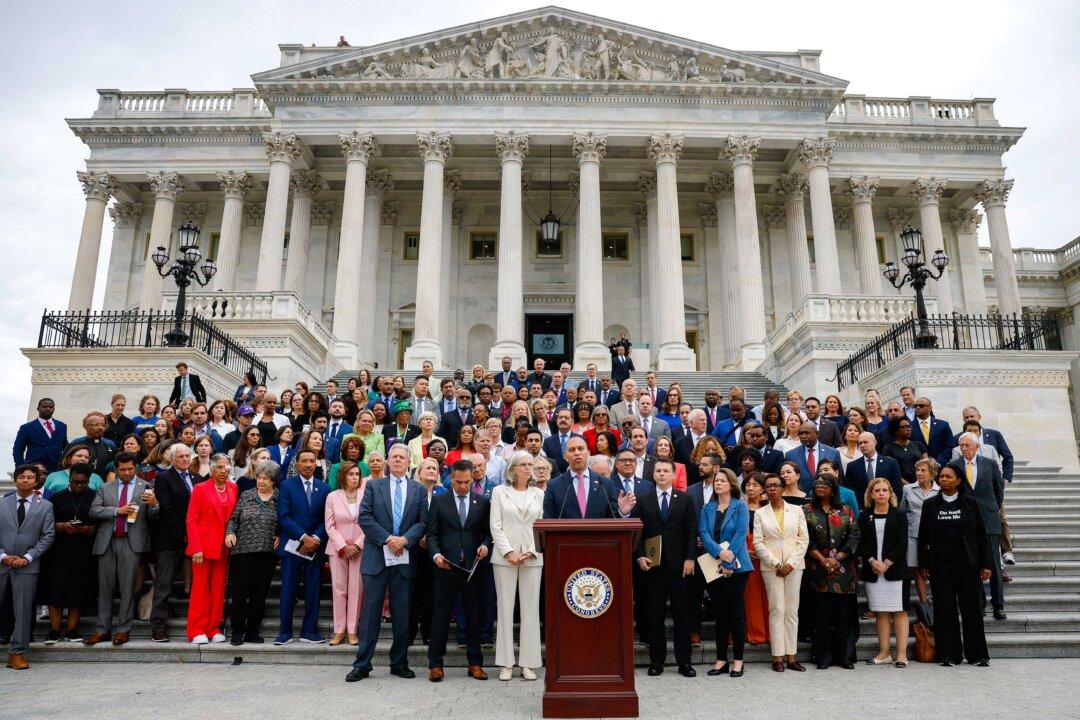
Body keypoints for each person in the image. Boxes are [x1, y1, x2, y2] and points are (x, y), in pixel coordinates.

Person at [348, 443, 429, 682]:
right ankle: (362, 664)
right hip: (376, 556)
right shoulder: (373, 486)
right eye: (393, 456)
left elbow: (422, 522)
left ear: (408, 462)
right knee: (371, 613)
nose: (397, 460)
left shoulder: (418, 489)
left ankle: (399, 662)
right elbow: (364, 517)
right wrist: (387, 539)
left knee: (402, 614)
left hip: (404, 558)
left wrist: (404, 539)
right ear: (387, 460)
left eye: (401, 457)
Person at [918, 463, 991, 666]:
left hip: (967, 565)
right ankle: (949, 654)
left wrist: (986, 565)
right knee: (944, 610)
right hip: (941, 566)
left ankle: (977, 655)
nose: (943, 479)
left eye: (948, 477)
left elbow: (981, 536)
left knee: (972, 610)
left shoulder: (971, 503)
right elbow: (923, 536)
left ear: (958, 480)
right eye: (941, 476)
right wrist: (924, 563)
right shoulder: (930, 504)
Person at [426, 459, 492, 682]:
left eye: (468, 482)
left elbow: (487, 533)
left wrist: (485, 545)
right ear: (451, 479)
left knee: (473, 616)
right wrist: (435, 555)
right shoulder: (439, 500)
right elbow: (432, 533)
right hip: (445, 567)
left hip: (472, 569)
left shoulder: (482, 501)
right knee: (441, 617)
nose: (464, 487)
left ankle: (475, 663)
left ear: (472, 479)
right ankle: (435, 664)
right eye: (459, 482)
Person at [84, 452, 158, 646]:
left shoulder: (147, 486)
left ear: (136, 468)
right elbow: (94, 510)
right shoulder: (105, 487)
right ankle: (102, 630)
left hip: (131, 541)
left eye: (130, 469)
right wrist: (118, 511)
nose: (127, 473)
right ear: (116, 469)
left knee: (127, 588)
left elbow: (154, 517)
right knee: (105, 588)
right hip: (107, 541)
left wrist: (154, 505)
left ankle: (123, 630)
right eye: (123, 469)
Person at [635, 459, 697, 678]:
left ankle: (685, 662)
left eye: (666, 471)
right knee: (655, 615)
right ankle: (657, 661)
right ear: (653, 475)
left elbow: (691, 531)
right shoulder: (644, 500)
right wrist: (640, 556)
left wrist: (690, 559)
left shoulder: (686, 500)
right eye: (658, 471)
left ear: (673, 475)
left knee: (682, 615)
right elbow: (638, 533)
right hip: (653, 567)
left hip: (680, 567)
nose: (662, 474)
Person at [699, 468, 752, 677]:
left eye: (722, 480)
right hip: (714, 564)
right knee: (720, 614)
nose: (717, 483)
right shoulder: (707, 507)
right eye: (716, 481)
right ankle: (721, 659)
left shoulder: (740, 506)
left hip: (738, 567)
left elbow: (741, 533)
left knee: (735, 613)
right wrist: (719, 552)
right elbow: (703, 533)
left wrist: (729, 561)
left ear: (731, 484)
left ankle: (738, 661)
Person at [803, 474, 860, 669]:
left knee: (841, 615)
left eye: (825, 484)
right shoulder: (806, 510)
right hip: (817, 569)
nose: (820, 487)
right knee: (822, 614)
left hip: (842, 570)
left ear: (833, 488)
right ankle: (823, 656)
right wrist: (823, 559)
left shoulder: (846, 510)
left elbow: (854, 536)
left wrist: (836, 558)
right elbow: (804, 538)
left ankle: (843, 656)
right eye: (817, 483)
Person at [0, 464, 54, 669]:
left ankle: (17, 653)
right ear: (15, 480)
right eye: (21, 477)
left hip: (28, 565)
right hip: (2, 562)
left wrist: (28, 557)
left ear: (37, 481)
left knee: (23, 611)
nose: (25, 480)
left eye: (30, 477)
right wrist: (3, 556)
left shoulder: (45, 506)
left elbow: (48, 536)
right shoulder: (2, 504)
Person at [276, 449, 331, 645]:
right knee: (288, 588)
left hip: (315, 547)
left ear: (317, 463)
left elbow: (327, 518)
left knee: (313, 589)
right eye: (304, 461)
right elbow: (284, 516)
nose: (308, 464)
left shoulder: (325, 488)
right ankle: (285, 632)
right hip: (292, 545)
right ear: (297, 464)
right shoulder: (286, 485)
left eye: (312, 461)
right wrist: (303, 537)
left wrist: (315, 537)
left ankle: (310, 631)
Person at [38, 464, 97, 644]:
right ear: (69, 479)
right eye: (75, 482)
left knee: (77, 589)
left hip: (84, 549)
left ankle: (72, 630)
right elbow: (46, 524)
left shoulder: (95, 497)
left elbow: (100, 522)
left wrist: (90, 529)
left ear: (89, 481)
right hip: (58, 550)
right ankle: (55, 630)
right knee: (56, 588)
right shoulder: (56, 497)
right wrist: (60, 526)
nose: (79, 486)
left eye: (83, 483)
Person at [225, 460, 280, 645]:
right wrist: (230, 532)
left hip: (266, 553)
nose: (261, 481)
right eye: (259, 478)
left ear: (273, 480)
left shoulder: (279, 498)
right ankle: (237, 632)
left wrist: (280, 534)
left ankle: (252, 631)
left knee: (259, 594)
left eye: (265, 478)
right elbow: (233, 519)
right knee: (240, 594)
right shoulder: (247, 495)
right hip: (242, 552)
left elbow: (284, 521)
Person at [184, 454, 238, 644]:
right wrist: (196, 548)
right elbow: (191, 520)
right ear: (212, 469)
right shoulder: (200, 488)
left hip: (224, 548)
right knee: (200, 589)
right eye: (221, 468)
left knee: (218, 590)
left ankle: (213, 627)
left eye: (227, 468)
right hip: (203, 548)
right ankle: (196, 629)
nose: (225, 471)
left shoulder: (233, 487)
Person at [150, 443, 200, 643]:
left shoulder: (196, 478)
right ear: (172, 459)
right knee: (164, 585)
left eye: (188, 456)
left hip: (194, 539)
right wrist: (184, 533)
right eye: (181, 457)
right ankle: (158, 627)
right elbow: (167, 509)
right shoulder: (163, 478)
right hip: (170, 539)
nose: (186, 459)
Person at [858, 478, 910, 667]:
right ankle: (884, 653)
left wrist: (886, 563)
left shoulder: (899, 514)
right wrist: (873, 561)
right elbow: (860, 543)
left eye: (885, 490)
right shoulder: (864, 516)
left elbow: (902, 542)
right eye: (877, 490)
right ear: (870, 494)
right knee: (880, 612)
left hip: (895, 570)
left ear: (890, 493)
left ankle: (902, 654)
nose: (881, 493)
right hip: (873, 570)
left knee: (899, 611)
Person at [955, 433, 1006, 619]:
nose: (964, 449)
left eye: (968, 445)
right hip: (967, 522)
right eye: (961, 446)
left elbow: (998, 493)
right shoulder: (955, 466)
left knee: (993, 563)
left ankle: (998, 605)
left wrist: (990, 510)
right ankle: (980, 603)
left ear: (977, 446)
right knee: (974, 564)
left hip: (989, 519)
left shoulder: (990, 464)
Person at [325, 461, 367, 647]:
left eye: (357, 474)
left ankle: (352, 630)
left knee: (357, 589)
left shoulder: (365, 495)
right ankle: (339, 630)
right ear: (343, 477)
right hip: (337, 549)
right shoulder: (333, 496)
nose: (355, 478)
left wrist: (357, 545)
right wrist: (342, 546)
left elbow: (369, 522)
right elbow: (329, 525)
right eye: (351, 474)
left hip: (360, 549)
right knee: (339, 589)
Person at [542, 436, 634, 519]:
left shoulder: (606, 484)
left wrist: (622, 512)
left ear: (588, 453)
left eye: (580, 449)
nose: (577, 453)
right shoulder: (554, 485)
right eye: (572, 450)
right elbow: (548, 519)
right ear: (565, 456)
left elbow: (612, 518)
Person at [900, 458, 939, 605]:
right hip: (913, 535)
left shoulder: (940, 491)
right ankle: (923, 602)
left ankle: (938, 599)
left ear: (933, 474)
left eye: (923, 470)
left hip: (934, 537)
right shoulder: (907, 489)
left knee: (934, 568)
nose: (919, 473)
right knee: (917, 569)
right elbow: (901, 511)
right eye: (917, 470)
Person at [741, 473, 770, 646]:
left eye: (755, 485)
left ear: (763, 488)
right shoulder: (739, 506)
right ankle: (756, 632)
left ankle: (770, 632)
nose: (751, 488)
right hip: (746, 553)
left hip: (766, 555)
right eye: (748, 485)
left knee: (768, 595)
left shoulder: (768, 507)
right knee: (751, 596)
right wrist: (745, 549)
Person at [784, 422, 843, 493]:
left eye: (807, 433)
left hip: (827, 497)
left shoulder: (833, 452)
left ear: (817, 434)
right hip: (801, 497)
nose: (803, 436)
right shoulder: (790, 455)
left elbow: (840, 478)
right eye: (800, 433)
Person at [844, 431, 903, 500]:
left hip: (886, 508)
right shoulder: (852, 466)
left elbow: (897, 489)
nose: (862, 445)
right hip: (862, 509)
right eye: (860, 443)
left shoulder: (891, 463)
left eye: (865, 442)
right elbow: (850, 492)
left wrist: (890, 507)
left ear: (875, 442)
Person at [882, 415, 927, 485]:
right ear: (895, 430)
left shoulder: (918, 445)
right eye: (904, 427)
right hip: (901, 486)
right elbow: (891, 471)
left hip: (922, 484)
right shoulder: (888, 449)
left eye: (909, 427)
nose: (908, 429)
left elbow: (927, 466)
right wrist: (909, 486)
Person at [913, 397, 954, 467]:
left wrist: (938, 463)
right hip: (917, 469)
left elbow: (949, 446)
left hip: (940, 468)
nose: (918, 407)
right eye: (915, 406)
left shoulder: (943, 425)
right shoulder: (909, 427)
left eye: (921, 405)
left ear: (930, 408)